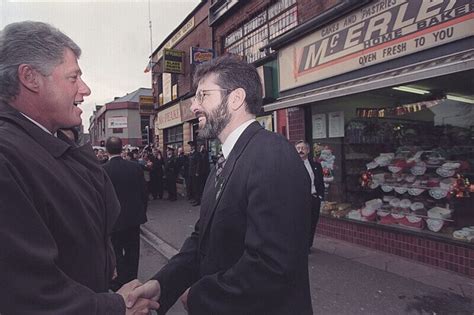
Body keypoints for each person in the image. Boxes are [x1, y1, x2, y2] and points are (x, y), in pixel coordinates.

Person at [128, 55, 312, 314]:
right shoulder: (222, 163)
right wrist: (162, 284)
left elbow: (272, 265)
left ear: (235, 98)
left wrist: (200, 296)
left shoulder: (273, 154)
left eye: (203, 95)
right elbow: (203, 240)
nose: (194, 106)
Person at [0, 21, 159, 314]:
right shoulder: (8, 158)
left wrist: (104, 256)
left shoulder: (48, 143)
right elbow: (28, 294)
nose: (84, 90)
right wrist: (115, 307)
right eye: (73, 77)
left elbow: (90, 214)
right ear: (30, 78)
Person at [103, 136, 148, 292]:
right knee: (133, 249)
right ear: (122, 149)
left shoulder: (103, 170)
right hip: (133, 217)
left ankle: (121, 281)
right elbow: (144, 192)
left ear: (107, 150)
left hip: (114, 219)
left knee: (116, 250)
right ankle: (132, 278)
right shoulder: (135, 167)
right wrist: (142, 211)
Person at [295, 140, 325, 251]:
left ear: (308, 150)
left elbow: (320, 182)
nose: (300, 151)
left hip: (313, 198)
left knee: (312, 222)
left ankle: (308, 245)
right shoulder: (292, 166)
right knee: (300, 223)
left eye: (303, 148)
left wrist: (320, 196)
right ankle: (300, 245)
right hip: (298, 200)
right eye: (298, 148)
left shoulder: (316, 166)